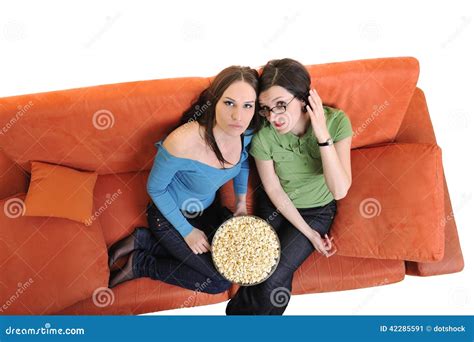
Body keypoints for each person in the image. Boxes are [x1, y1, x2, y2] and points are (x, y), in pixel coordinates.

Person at [108, 65, 261, 294]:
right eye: (229, 103)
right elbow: (156, 188)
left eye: (247, 105)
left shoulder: (245, 132)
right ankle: (142, 264)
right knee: (219, 282)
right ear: (215, 100)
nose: (238, 116)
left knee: (236, 264)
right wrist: (187, 231)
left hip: (208, 212)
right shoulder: (183, 141)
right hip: (170, 217)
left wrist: (240, 202)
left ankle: (145, 241)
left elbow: (242, 162)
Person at [226, 58, 353, 314]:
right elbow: (274, 190)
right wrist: (309, 234)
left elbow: (339, 190)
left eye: (281, 105)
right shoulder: (263, 137)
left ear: (304, 98)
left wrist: (321, 135)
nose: (273, 117)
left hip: (315, 210)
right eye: (266, 108)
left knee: (272, 278)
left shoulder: (336, 122)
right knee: (261, 269)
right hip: (275, 205)